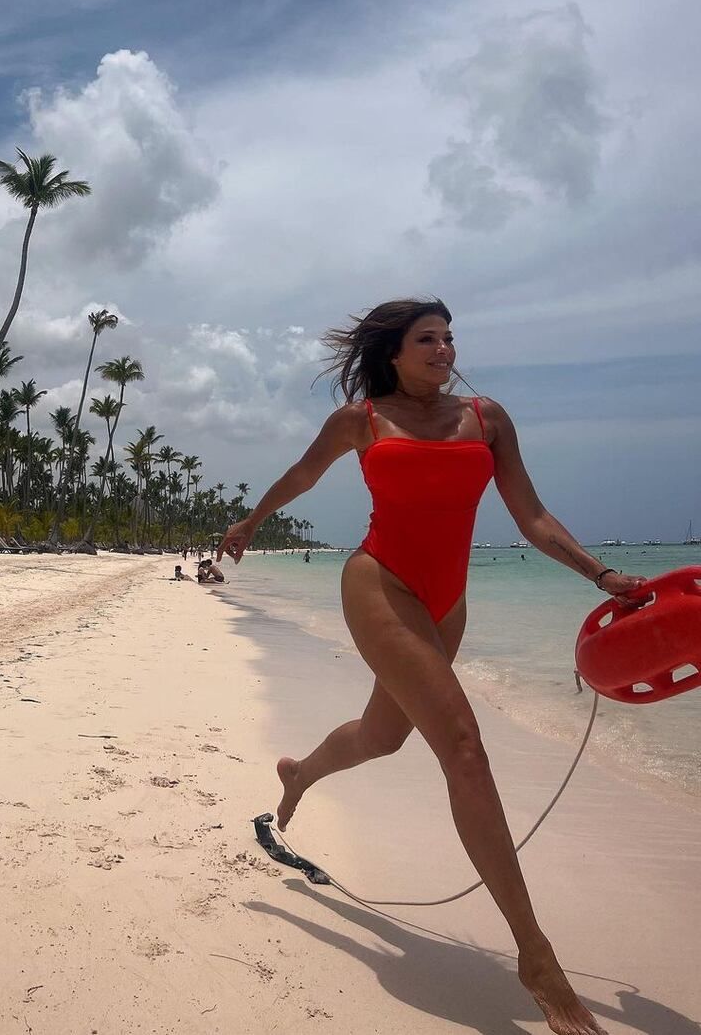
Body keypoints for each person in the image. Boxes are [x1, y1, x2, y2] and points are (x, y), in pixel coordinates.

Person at [217, 297, 644, 1035]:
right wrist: (250, 521)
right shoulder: (361, 419)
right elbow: (301, 475)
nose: (443, 349)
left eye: (449, 338)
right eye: (427, 339)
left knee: (383, 736)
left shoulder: (487, 418)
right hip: (379, 581)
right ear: (393, 351)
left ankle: (298, 775)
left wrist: (600, 575)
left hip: (448, 600)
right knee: (464, 748)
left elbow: (531, 517)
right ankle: (536, 958)